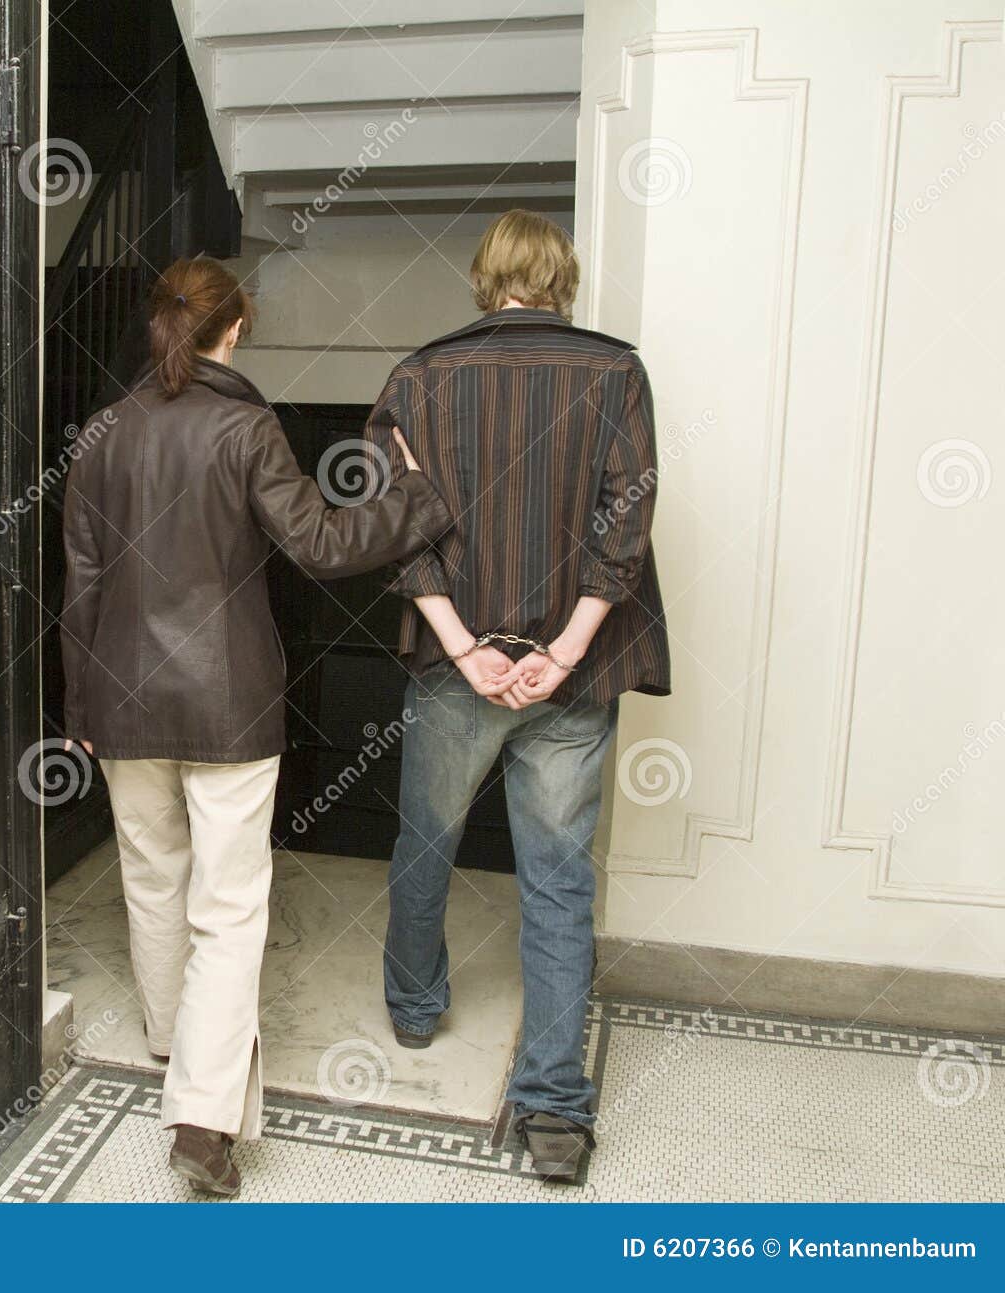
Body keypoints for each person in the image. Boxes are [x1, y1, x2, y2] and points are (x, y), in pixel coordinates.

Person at [60, 255, 451, 1196]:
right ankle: (202, 1119)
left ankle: (171, 1041)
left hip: (121, 699)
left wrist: (79, 706)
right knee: (229, 907)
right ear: (233, 328)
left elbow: (82, 580)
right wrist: (415, 496)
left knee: (153, 879)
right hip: (227, 701)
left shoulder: (104, 430)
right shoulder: (246, 426)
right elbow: (320, 543)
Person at [363, 209, 671, 1183]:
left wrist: (465, 650)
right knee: (560, 876)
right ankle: (553, 1110)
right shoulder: (616, 371)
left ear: (483, 277)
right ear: (561, 278)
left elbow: (395, 526)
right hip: (572, 673)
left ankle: (414, 1009)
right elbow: (625, 520)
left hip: (459, 667)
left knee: (426, 840)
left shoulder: (418, 378)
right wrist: (567, 649)